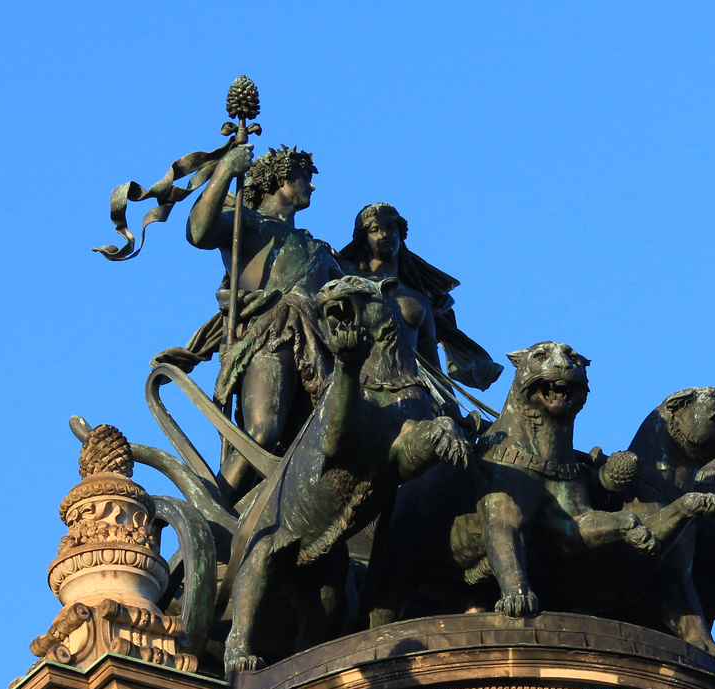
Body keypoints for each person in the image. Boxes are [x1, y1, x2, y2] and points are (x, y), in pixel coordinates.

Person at [180, 145, 344, 501]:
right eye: (306, 178)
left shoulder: (317, 248)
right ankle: (214, 514)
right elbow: (198, 233)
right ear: (283, 177)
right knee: (262, 432)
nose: (311, 187)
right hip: (272, 333)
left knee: (323, 444)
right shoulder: (247, 222)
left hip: (319, 347)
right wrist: (225, 172)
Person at [336, 203, 504, 393]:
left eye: (391, 227)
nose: (384, 235)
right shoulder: (347, 281)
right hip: (359, 383)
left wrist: (451, 409)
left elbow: (431, 363)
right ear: (364, 240)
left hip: (412, 385)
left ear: (401, 235)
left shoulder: (417, 298)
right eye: (375, 230)